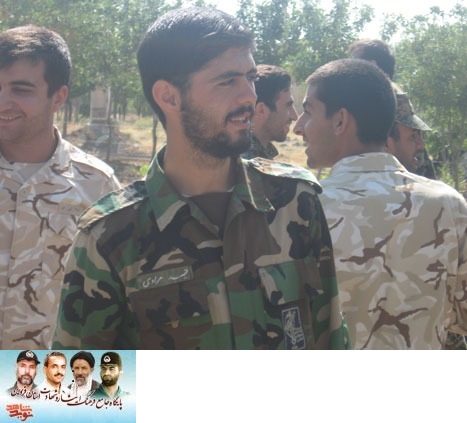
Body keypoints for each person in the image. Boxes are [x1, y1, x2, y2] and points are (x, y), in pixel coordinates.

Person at [52, 7, 349, 350]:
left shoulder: (296, 201)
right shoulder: (110, 236)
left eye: (251, 78)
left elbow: (331, 339)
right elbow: (81, 381)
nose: (249, 96)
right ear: (168, 96)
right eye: (227, 81)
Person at [293, 58, 467, 349]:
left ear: (340, 121)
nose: (298, 127)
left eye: (308, 112)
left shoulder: (305, 209)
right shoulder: (449, 204)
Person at [0, 25, 121, 350]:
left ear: (59, 97)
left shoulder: (97, 186)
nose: (3, 102)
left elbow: (116, 297)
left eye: (21, 90)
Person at [348, 38, 437, 178]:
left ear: (372, 65)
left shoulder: (381, 94)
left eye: (353, 62)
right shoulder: (389, 91)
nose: (348, 68)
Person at [242, 64, 298, 160]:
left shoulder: (254, 155)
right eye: (288, 106)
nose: (295, 116)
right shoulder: (243, 162)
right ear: (261, 110)